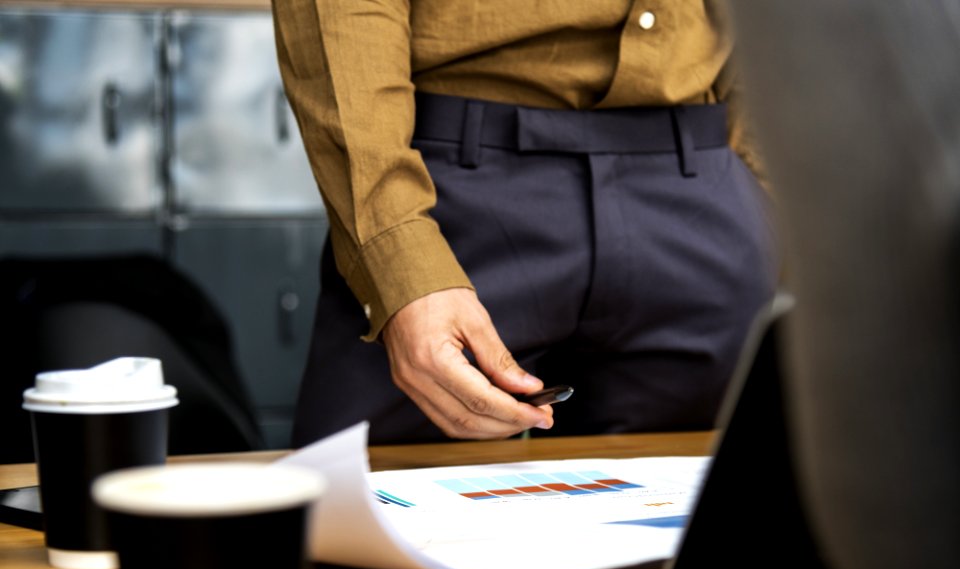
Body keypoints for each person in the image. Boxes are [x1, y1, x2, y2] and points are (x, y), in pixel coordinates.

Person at [271, 0, 778, 446]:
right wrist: (400, 261)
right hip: (446, 194)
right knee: (358, 529)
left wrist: (762, 190)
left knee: (694, 536)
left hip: (697, 186)